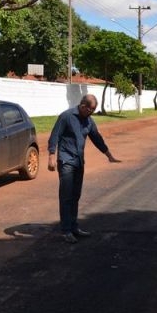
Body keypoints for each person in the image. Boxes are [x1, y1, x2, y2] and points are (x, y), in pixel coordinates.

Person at [48, 94, 121, 243]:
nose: (92, 112)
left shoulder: (89, 121)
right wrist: (51, 156)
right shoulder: (66, 116)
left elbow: (97, 138)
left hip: (79, 162)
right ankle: (66, 231)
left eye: (93, 110)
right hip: (66, 161)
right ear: (82, 106)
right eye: (90, 110)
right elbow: (55, 135)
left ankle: (74, 227)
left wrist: (109, 155)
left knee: (75, 196)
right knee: (66, 196)